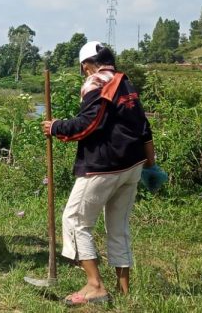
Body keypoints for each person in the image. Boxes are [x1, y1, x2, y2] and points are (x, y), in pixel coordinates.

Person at [41, 41, 154, 305]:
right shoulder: (125, 83)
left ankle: (95, 286)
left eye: (83, 70)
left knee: (75, 220)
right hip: (132, 165)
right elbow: (144, 126)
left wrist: (56, 127)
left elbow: (88, 124)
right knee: (118, 227)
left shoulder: (97, 83)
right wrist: (150, 160)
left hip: (104, 166)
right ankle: (124, 290)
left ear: (87, 65)